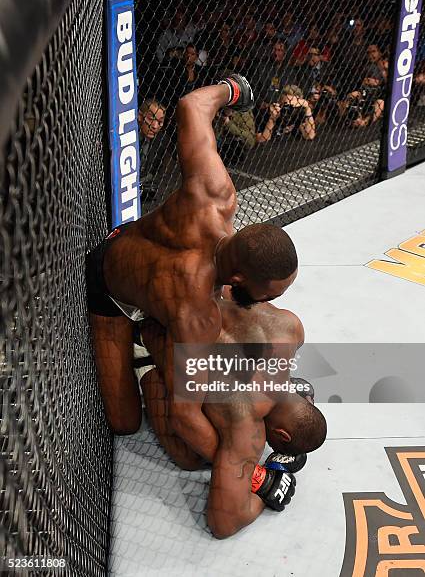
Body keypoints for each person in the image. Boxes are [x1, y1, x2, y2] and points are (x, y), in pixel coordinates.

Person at [86, 76, 299, 459]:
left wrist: (234, 90)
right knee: (124, 423)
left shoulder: (214, 193)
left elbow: (191, 105)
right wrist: (248, 470)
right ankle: (146, 357)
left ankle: (151, 340)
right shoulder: (198, 318)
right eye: (270, 293)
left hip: (131, 245)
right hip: (109, 289)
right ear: (237, 278)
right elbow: (185, 418)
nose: (269, 300)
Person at [137, 297, 327, 538]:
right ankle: (146, 367)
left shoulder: (291, 329)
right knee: (189, 457)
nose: (267, 446)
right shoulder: (248, 424)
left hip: (174, 303)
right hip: (152, 336)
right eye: (274, 444)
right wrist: (261, 481)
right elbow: (224, 524)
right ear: (281, 434)